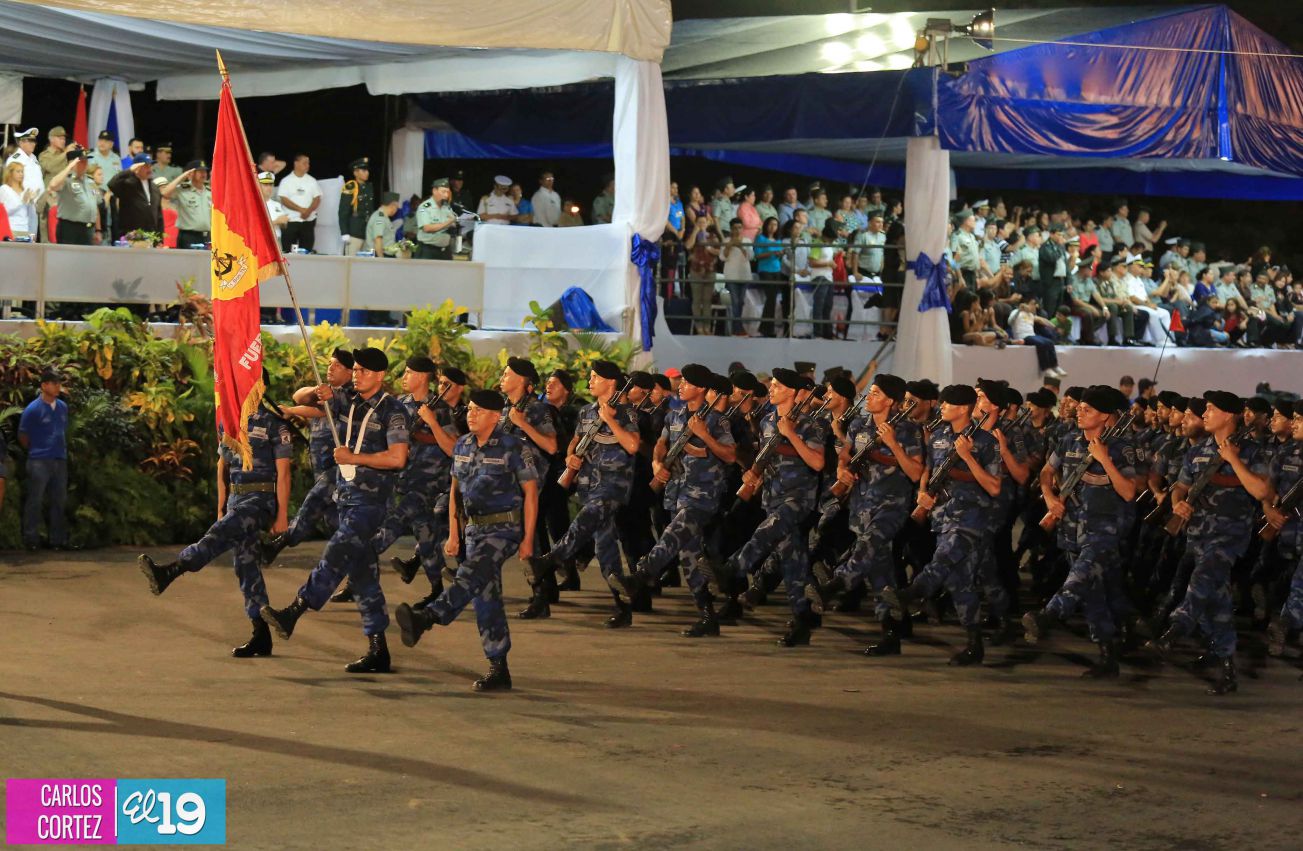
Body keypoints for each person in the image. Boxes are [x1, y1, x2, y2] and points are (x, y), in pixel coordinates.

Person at [260, 347, 409, 674]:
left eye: (363, 371)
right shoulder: (347, 400)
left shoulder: (393, 412)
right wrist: (317, 392)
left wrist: (356, 459)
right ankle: (378, 650)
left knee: (337, 551)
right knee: (363, 574)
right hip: (346, 497)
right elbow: (303, 398)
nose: (357, 375)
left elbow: (397, 458)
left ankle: (295, 610)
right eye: (354, 370)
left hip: (371, 503)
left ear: (380, 376)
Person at [138, 371, 293, 658]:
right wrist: (221, 507)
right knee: (245, 566)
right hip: (236, 498)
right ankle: (261, 634)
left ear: (261, 388)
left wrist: (282, 514)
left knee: (221, 536)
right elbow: (222, 468)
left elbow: (284, 474)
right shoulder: (230, 421)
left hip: (260, 499)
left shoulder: (274, 423)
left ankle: (173, 570)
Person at [394, 388, 538, 692]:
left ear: (495, 417)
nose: (470, 414)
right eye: (469, 409)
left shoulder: (513, 447)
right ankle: (498, 666)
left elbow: (531, 495)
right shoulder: (462, 445)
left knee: (470, 574)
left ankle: (428, 617)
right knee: (485, 596)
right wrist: (454, 533)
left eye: (478, 411)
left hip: (503, 530)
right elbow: (455, 492)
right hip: (473, 530)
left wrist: (527, 540)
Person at [1148, 391, 1270, 695]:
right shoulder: (1197, 450)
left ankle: (1174, 632)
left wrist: (1234, 460)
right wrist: (1178, 504)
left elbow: (1262, 493)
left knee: (1202, 579)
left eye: (1212, 409)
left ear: (1229, 415)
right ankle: (1227, 666)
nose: (1205, 413)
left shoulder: (1254, 451)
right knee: (1217, 599)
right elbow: (1181, 487)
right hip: (1198, 533)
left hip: (1230, 536)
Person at [883, 383, 1003, 666]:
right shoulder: (938, 436)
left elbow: (994, 487)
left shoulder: (986, 441)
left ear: (963, 408)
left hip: (971, 518)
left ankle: (912, 593)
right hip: (943, 516)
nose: (942, 408)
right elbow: (929, 469)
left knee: (944, 558)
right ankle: (975, 644)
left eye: (948, 404)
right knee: (960, 582)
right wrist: (924, 492)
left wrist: (968, 457)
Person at [611, 364, 736, 635]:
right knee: (689, 556)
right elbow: (661, 444)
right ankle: (707, 615)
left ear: (701, 388)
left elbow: (729, 455)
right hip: (678, 493)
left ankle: (640, 576)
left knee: (671, 534)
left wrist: (703, 435)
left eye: (688, 383)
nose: (681, 386)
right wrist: (657, 463)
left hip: (702, 496)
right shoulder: (675, 415)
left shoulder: (717, 420)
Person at [1026, 386, 1137, 678]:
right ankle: (1108, 653)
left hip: (1103, 530)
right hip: (1071, 527)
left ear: (1105, 416)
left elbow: (1128, 492)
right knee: (1093, 593)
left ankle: (1048, 616)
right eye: (1080, 408)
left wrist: (1104, 459)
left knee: (1079, 578)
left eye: (1087, 410)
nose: (1079, 412)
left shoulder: (1122, 447)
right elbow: (1046, 473)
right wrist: (1050, 498)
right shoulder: (1068, 440)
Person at [811, 374, 924, 655]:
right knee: (880, 571)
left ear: (891, 401)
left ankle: (836, 583)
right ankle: (892, 632)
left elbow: (915, 472)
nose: (869, 398)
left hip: (891, 506)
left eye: (875, 394)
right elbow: (846, 453)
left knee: (869, 544)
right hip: (862, 505)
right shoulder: (860, 424)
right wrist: (842, 469)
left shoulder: (908, 429)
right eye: (870, 393)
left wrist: (893, 443)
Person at [527, 361, 642, 627]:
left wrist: (611, 420)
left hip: (613, 486)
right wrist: (571, 459)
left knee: (587, 518)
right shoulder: (586, 412)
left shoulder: (626, 413)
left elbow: (633, 445)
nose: (590, 382)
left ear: (611, 383)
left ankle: (552, 560)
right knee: (605, 547)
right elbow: (575, 442)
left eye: (595, 377)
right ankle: (623, 607)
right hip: (588, 485)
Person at [718, 369, 827, 647]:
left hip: (797, 499)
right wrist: (754, 474)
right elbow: (768, 458)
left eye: (777, 386)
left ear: (791, 392)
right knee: (793, 564)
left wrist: (791, 434)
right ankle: (802, 620)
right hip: (773, 497)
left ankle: (733, 568)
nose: (772, 389)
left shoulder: (809, 424)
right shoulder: (767, 421)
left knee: (764, 534)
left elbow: (817, 463)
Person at [370, 357, 457, 608]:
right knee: (426, 535)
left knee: (395, 522)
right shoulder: (399, 404)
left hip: (428, 481)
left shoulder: (440, 409)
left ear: (422, 376)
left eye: (409, 372)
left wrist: (429, 423)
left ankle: (359, 559)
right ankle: (439, 589)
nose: (404, 377)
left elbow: (452, 447)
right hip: (405, 478)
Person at [18, 368, 70, 550]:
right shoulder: (33, 409)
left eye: (59, 384)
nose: (58, 387)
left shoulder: (63, 407)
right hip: (39, 460)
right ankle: (31, 539)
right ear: (44, 385)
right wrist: (36, 449)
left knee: (58, 500)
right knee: (35, 500)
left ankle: (56, 540)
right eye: (54, 383)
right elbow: (23, 435)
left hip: (59, 459)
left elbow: (63, 429)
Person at [47, 148, 101, 245]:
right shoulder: (66, 180)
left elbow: (95, 206)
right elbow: (53, 185)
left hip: (88, 229)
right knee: (68, 259)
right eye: (81, 161)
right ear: (73, 163)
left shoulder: (90, 182)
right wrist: (69, 167)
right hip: (70, 229)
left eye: (86, 161)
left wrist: (98, 230)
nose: (85, 164)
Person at [1009, 295, 1067, 379]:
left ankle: (1055, 366)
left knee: (1049, 342)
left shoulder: (1031, 315)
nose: (1035, 306)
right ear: (1025, 304)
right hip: (1022, 336)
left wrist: (1055, 328)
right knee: (1041, 343)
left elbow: (1042, 320)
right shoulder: (1016, 312)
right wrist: (1019, 310)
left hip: (1032, 336)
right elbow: (1010, 322)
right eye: (1033, 304)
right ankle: (1045, 368)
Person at [107, 155, 162, 238]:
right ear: (136, 168)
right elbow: (111, 184)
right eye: (146, 166)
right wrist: (129, 171)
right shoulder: (127, 184)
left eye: (150, 166)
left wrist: (160, 238)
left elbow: (159, 215)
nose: (149, 169)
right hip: (131, 235)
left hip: (151, 236)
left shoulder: (154, 187)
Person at [276, 154, 321, 252]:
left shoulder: (312, 181)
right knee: (288, 251)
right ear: (296, 163)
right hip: (291, 221)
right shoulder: (286, 181)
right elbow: (284, 199)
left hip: (307, 221)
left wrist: (308, 212)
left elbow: (317, 198)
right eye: (304, 163)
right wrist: (301, 210)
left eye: (308, 163)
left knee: (306, 250)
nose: (307, 165)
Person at [161, 160, 211, 249]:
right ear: (191, 174)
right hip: (188, 236)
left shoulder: (210, 191)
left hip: (207, 236)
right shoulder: (183, 189)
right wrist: (183, 176)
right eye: (200, 171)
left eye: (205, 171)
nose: (203, 174)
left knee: (206, 262)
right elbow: (165, 193)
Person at [684, 213, 720, 336]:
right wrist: (695, 231)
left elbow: (719, 252)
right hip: (696, 271)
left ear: (708, 223)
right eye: (699, 223)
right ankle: (699, 327)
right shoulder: (693, 235)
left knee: (707, 301)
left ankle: (707, 327)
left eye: (703, 222)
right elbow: (688, 246)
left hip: (709, 270)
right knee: (697, 300)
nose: (701, 225)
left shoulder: (712, 236)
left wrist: (710, 249)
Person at [5, 127, 43, 236]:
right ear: (21, 142)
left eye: (34, 141)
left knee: (32, 240)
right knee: (20, 240)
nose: (33, 144)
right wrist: (24, 197)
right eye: (30, 141)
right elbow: (11, 185)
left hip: (34, 206)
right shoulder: (14, 159)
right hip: (20, 207)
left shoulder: (34, 158)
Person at [338, 156, 375, 255]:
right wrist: (344, 232)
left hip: (367, 232)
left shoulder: (369, 187)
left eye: (367, 170)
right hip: (354, 232)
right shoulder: (351, 186)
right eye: (363, 170)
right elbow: (343, 211)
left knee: (365, 265)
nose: (367, 172)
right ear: (355, 172)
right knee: (350, 263)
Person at [414, 177, 456, 260]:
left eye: (448, 192)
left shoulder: (446, 207)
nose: (446, 195)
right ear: (434, 191)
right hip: (428, 251)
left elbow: (452, 223)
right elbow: (427, 228)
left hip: (445, 251)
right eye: (443, 192)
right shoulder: (424, 207)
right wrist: (448, 222)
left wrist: (453, 224)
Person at [0, 161, 38, 238]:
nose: (21, 174)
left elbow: (30, 215)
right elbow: (4, 212)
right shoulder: (4, 189)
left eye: (22, 171)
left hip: (25, 230)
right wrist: (22, 202)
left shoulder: (25, 191)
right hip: (11, 229)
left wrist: (31, 202)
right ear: (10, 173)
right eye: (18, 171)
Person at [364, 192, 401, 256]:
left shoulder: (384, 217)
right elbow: (378, 240)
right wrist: (381, 260)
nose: (396, 210)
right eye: (397, 207)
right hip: (378, 255)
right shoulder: (380, 218)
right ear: (392, 205)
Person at [258, 171, 288, 242]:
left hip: (276, 240)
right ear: (258, 185)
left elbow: (284, 226)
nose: (269, 188)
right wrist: (276, 222)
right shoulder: (254, 204)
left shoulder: (276, 205)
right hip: (261, 240)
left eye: (271, 185)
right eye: (265, 185)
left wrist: (283, 222)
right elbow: (256, 226)